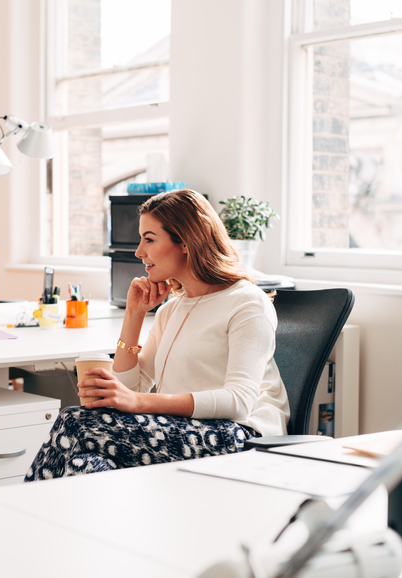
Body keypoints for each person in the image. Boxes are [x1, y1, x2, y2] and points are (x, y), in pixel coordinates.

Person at [24, 189, 289, 481]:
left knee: (76, 422)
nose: (139, 252)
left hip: (241, 437)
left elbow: (238, 402)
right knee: (85, 466)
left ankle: (15, 518)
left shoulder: (247, 302)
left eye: (149, 239)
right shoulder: (171, 309)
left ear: (186, 241)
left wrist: (138, 403)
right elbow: (130, 387)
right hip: (176, 429)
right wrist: (134, 315)